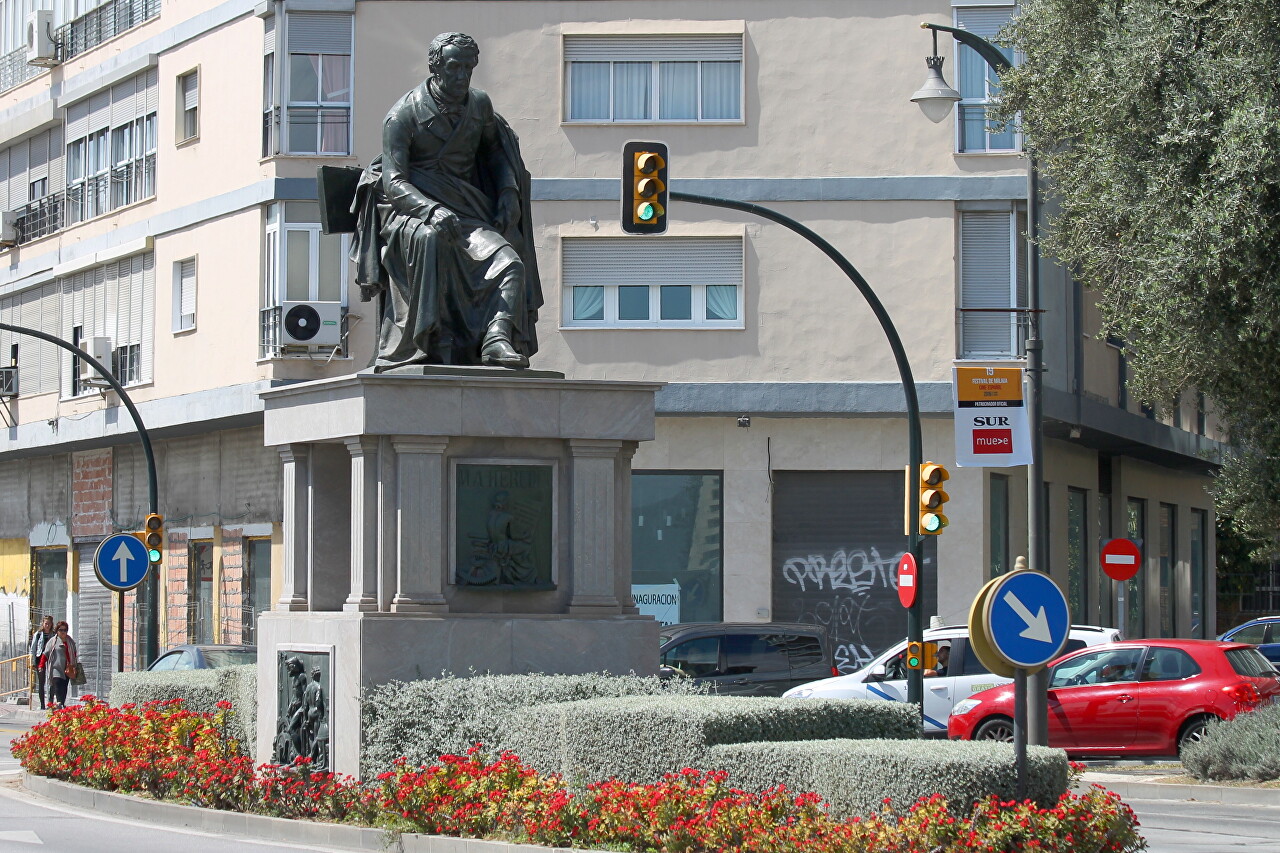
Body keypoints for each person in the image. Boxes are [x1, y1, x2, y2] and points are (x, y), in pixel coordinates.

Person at [352, 31, 543, 370]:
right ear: (435, 66)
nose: (461, 77)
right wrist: (431, 210)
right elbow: (394, 182)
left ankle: (496, 337)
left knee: (510, 262)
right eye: (454, 68)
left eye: (468, 69)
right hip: (410, 214)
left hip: (466, 211)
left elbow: (496, 152)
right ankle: (426, 341)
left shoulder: (479, 105)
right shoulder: (403, 116)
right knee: (430, 240)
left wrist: (508, 191)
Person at [41, 621, 77, 710]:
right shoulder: (53, 641)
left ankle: (62, 703)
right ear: (57, 631)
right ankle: (59, 703)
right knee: (57, 684)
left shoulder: (70, 641)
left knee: (64, 687)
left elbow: (74, 653)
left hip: (68, 668)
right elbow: (45, 654)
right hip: (56, 668)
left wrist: (74, 665)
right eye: (61, 630)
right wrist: (41, 665)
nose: (63, 632)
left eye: (65, 630)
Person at [29, 615, 53, 711]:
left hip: (50, 659)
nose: (47, 625)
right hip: (40, 659)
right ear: (43, 623)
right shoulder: (38, 634)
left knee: (51, 681)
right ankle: (42, 704)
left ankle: (50, 703)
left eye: (49, 624)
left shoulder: (54, 634)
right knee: (41, 682)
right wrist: (33, 662)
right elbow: (33, 649)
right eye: (46, 623)